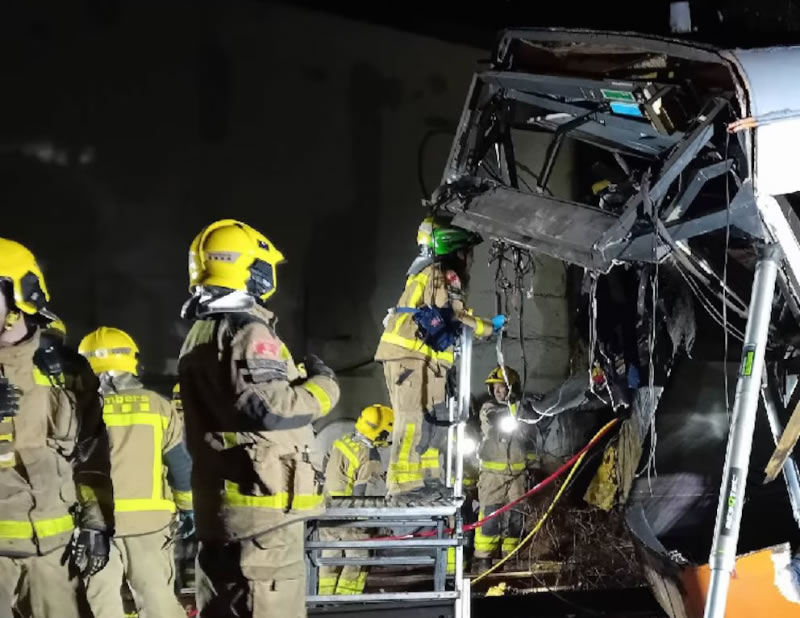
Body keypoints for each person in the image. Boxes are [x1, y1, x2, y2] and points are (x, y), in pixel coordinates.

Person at [178, 218, 340, 618]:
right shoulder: (248, 332)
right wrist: (324, 385)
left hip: (228, 513)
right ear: (248, 268)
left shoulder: (201, 332)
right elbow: (271, 408)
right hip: (263, 518)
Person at [0, 238, 114, 618]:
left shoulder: (65, 373)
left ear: (19, 297)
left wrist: (96, 522)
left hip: (53, 556)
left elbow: (91, 457)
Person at [375, 215, 504, 503]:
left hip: (426, 361)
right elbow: (455, 315)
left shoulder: (428, 273)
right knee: (411, 419)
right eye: (467, 252)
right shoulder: (442, 273)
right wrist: (488, 328)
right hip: (411, 358)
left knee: (432, 421)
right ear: (454, 249)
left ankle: (427, 480)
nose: (470, 259)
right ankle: (402, 487)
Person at [78, 326, 192, 618]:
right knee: (157, 601)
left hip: (95, 525)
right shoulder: (158, 406)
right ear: (131, 360)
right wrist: (189, 508)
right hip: (149, 524)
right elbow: (180, 465)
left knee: (100, 604)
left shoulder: (77, 409)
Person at [319, 404, 393, 596]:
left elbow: (324, 469)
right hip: (350, 517)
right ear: (380, 432)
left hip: (328, 512)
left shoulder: (341, 441)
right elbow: (364, 496)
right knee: (357, 561)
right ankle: (346, 602)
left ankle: (323, 601)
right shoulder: (370, 456)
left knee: (330, 560)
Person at [473, 366, 536, 572]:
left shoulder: (523, 410)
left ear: (513, 387)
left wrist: (532, 467)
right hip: (493, 476)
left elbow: (530, 441)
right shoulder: (488, 408)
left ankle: (510, 558)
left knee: (516, 517)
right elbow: (497, 419)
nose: (499, 391)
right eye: (495, 388)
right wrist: (516, 408)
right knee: (490, 518)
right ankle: (484, 559)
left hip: (518, 475)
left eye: (503, 387)